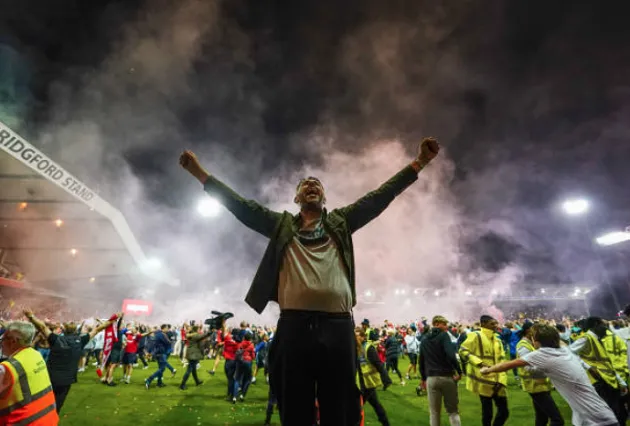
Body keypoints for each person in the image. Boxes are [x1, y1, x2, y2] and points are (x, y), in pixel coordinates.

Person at [180, 136, 440, 425]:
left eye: (317, 185)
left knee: (339, 405)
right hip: (294, 325)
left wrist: (420, 162)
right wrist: (199, 173)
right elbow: (241, 206)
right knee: (294, 403)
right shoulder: (280, 224)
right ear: (297, 199)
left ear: (324, 198)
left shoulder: (341, 221)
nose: (311, 186)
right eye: (305, 185)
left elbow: (380, 197)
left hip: (338, 325)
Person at [481, 324, 618, 426]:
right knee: (543, 416)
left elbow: (509, 364)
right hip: (597, 415)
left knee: (554, 419)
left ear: (537, 342)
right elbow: (562, 343)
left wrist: (487, 370)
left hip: (596, 420)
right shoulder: (565, 350)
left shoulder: (543, 354)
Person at [23, 309, 119, 413]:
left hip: (50, 377)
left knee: (43, 402)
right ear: (75, 330)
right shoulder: (80, 341)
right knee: (58, 404)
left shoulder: (55, 339)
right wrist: (113, 320)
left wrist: (31, 316)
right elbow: (98, 329)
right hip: (67, 379)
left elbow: (42, 327)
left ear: (63, 330)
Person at [570, 317, 627, 425]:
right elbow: (569, 352)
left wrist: (621, 382)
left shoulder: (598, 338)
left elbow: (607, 363)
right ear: (596, 325)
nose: (606, 327)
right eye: (603, 324)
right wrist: (588, 367)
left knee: (618, 411)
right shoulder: (586, 338)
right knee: (611, 412)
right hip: (600, 380)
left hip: (608, 378)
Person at [0, 321, 59, 425]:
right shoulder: (36, 354)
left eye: (2, 339)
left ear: (13, 341)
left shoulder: (7, 368)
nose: (1, 343)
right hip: (47, 419)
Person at [459, 315, 510, 426]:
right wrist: (479, 362)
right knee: (487, 414)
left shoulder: (497, 339)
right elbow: (463, 350)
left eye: (496, 323)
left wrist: (501, 380)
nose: (496, 325)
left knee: (504, 412)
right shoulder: (475, 336)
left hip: (498, 382)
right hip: (484, 381)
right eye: (492, 323)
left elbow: (502, 360)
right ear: (483, 324)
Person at [515, 321, 564, 426]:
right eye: (537, 330)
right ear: (529, 331)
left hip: (539, 384)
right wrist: (548, 369)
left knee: (542, 418)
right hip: (535, 386)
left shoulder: (532, 343)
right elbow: (528, 367)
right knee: (557, 420)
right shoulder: (523, 345)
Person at [419, 315, 462, 426]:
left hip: (431, 379)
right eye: (444, 324)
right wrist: (459, 371)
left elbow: (421, 362)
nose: (446, 327)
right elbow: (451, 356)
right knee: (453, 411)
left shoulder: (424, 339)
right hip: (447, 377)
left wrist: (423, 379)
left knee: (434, 413)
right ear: (437, 323)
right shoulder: (444, 336)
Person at [355, 328, 390, 426]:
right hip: (362, 383)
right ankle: (386, 423)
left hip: (368, 383)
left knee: (357, 408)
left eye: (357, 335)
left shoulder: (368, 348)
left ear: (363, 337)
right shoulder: (355, 348)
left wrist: (385, 378)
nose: (355, 338)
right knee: (376, 405)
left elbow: (378, 364)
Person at [179, 325, 210, 390]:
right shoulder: (195, 335)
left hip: (192, 354)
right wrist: (210, 331)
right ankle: (182, 384)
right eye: (199, 329)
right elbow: (204, 335)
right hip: (193, 354)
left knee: (193, 369)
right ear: (196, 330)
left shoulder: (191, 335)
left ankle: (197, 381)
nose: (200, 330)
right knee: (189, 370)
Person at [145, 324, 173, 389]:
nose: (168, 330)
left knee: (161, 368)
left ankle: (159, 383)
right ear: (163, 328)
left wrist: (152, 353)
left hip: (158, 353)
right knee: (162, 369)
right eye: (167, 328)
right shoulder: (161, 335)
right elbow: (168, 342)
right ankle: (149, 379)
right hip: (161, 353)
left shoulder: (158, 334)